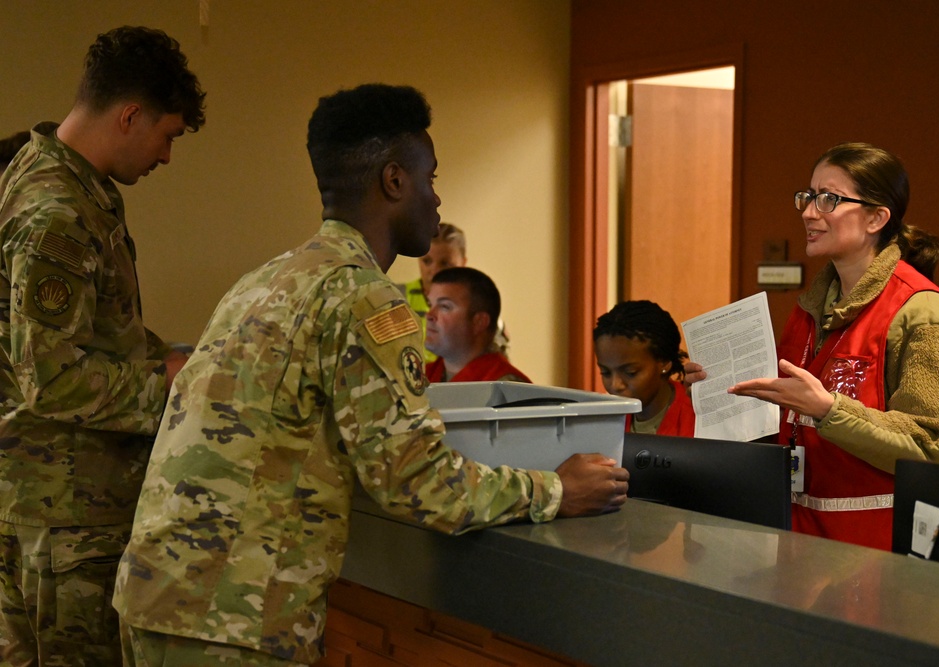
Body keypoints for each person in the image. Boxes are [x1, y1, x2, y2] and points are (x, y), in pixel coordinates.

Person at [113, 83, 628, 666]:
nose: (436, 201)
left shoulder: (263, 280)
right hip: (236, 616)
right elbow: (418, 482)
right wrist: (558, 488)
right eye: (430, 178)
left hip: (158, 598)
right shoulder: (365, 297)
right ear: (393, 181)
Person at [0, 26, 205, 666]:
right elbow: (53, 378)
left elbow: (96, 329)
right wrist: (168, 387)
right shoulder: (56, 209)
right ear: (128, 115)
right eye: (167, 135)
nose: (167, 156)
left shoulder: (60, 180)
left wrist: (163, 353)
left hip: (45, 503)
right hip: (65, 511)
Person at [701, 142, 939, 551]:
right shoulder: (810, 311)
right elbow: (787, 428)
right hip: (803, 542)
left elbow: (933, 445)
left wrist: (828, 410)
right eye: (808, 197)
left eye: (829, 199)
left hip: (888, 552)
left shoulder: (925, 313)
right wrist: (719, 386)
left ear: (876, 218)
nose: (810, 212)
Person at [400, 222, 510, 362]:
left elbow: (497, 365)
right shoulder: (397, 299)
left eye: (445, 263)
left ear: (463, 263)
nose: (434, 271)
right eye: (426, 261)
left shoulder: (479, 305)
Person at [593, 300, 694, 436]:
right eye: (605, 373)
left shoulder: (695, 418)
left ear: (664, 362)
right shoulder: (601, 422)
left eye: (630, 373)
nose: (615, 385)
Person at [424, 266, 530, 382]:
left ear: (479, 322)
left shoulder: (506, 387)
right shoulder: (421, 377)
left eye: (445, 306)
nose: (429, 315)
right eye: (430, 304)